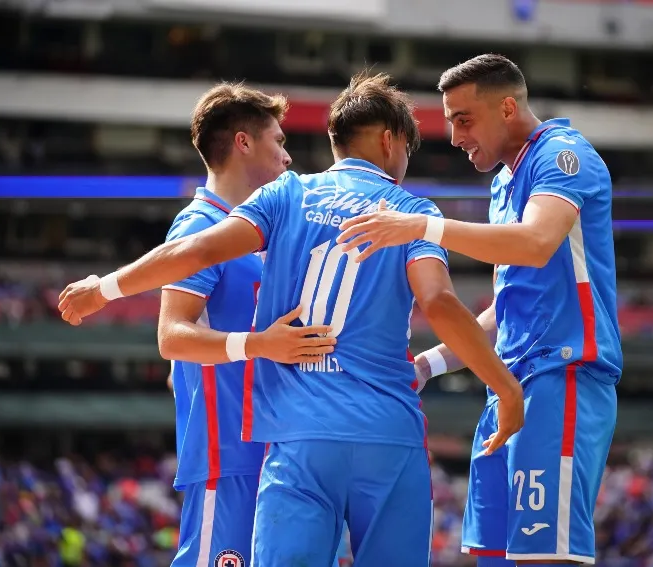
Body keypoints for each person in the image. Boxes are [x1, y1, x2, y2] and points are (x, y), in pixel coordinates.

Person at [57, 71, 524, 567]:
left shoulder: (286, 196)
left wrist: (104, 288)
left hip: (296, 438)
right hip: (385, 434)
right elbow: (440, 303)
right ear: (391, 141)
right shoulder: (410, 212)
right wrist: (505, 387)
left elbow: (194, 252)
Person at [337, 54, 623, 566]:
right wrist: (430, 364)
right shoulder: (502, 185)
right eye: (449, 120)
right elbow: (502, 311)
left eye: (463, 119)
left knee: (544, 558)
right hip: (508, 388)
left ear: (508, 107)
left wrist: (423, 227)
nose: (453, 136)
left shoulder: (562, 156)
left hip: (563, 376)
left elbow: (535, 243)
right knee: (490, 557)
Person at [124, 83, 338, 567]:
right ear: (244, 143)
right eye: (279, 141)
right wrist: (260, 344)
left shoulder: (262, 232)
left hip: (277, 445)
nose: (287, 157)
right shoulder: (199, 227)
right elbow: (170, 336)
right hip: (228, 453)